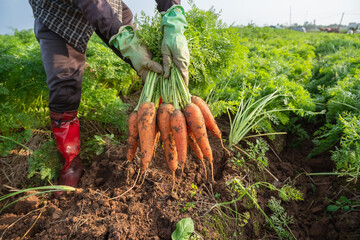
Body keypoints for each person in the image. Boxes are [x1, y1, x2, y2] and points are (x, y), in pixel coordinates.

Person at [28, 0, 190, 193]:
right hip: (57, 12)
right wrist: (123, 39)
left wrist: (173, 16)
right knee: (63, 85)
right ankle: (70, 161)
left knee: (149, 59)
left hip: (106, 3)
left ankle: (163, 130)